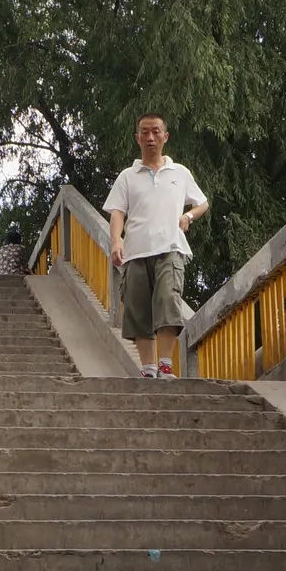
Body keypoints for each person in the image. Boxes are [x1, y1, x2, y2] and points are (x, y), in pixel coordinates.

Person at [106, 116, 208, 377]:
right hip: (136, 252)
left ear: (165, 136)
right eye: (144, 132)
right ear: (137, 138)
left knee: (168, 302)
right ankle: (149, 369)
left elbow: (202, 203)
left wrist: (188, 217)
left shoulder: (180, 173)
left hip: (170, 248)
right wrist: (116, 241)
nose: (150, 138)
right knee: (138, 309)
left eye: (155, 132)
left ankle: (165, 365)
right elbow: (117, 212)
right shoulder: (127, 176)